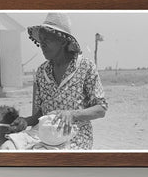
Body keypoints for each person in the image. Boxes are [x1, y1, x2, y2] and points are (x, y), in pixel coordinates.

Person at [7, 13, 108, 150]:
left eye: (47, 39)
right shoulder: (41, 72)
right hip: (43, 134)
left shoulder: (85, 67)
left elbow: (101, 109)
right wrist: (25, 121)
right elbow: (39, 115)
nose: (42, 44)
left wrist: (72, 114)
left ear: (63, 41)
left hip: (74, 136)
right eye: (41, 40)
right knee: (7, 147)